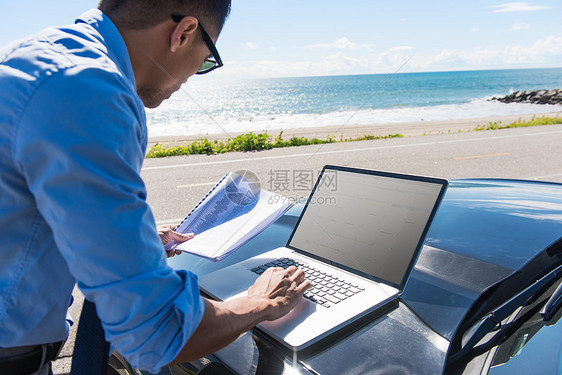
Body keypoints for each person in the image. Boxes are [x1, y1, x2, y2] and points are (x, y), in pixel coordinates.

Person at [0, 1, 311, 374]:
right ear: (184, 33)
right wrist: (260, 301)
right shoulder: (89, 91)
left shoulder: (33, 58)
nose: (195, 75)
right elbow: (158, 333)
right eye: (207, 60)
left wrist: (135, 240)